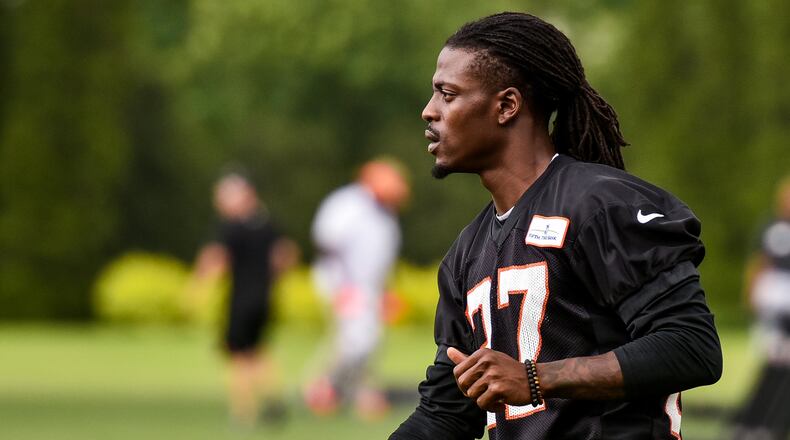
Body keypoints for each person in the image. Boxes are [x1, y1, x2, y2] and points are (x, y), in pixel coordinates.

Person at [390, 12, 722, 440]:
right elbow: (446, 412)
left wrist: (534, 378)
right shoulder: (466, 253)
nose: (429, 111)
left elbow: (691, 345)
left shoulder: (600, 205)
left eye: (447, 94)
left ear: (507, 106)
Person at [190, 171, 298, 427]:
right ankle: (273, 398)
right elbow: (286, 255)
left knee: (237, 354)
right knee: (257, 350)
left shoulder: (232, 228)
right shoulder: (268, 225)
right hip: (264, 298)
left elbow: (217, 258)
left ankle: (243, 412)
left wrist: (198, 283)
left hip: (240, 299)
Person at [305, 159, 410, 419]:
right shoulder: (348, 204)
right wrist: (342, 287)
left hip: (369, 287)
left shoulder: (386, 214)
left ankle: (349, 392)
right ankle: (328, 388)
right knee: (356, 340)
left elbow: (382, 259)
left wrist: (386, 292)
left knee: (368, 340)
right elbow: (326, 244)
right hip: (342, 283)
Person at [732, 176, 790, 440]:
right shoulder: (772, 227)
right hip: (776, 309)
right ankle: (752, 423)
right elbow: (760, 262)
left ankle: (771, 424)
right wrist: (752, 294)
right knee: (773, 367)